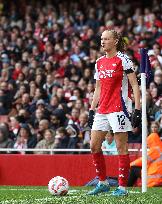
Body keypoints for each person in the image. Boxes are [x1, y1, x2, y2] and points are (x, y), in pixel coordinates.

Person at [87, 29, 141, 196]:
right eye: (101, 39)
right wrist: (91, 108)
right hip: (102, 108)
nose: (102, 42)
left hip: (120, 108)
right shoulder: (99, 62)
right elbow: (98, 88)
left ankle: (122, 188)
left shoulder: (124, 60)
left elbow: (134, 85)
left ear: (115, 41)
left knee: (121, 147)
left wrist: (137, 109)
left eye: (106, 39)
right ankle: (102, 182)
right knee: (94, 146)